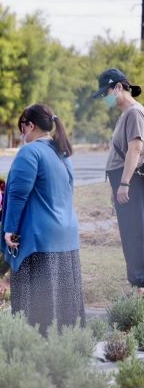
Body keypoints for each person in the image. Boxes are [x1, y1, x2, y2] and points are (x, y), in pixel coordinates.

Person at [0, 103, 84, 335]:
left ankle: (36, 346)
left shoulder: (30, 152)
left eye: (21, 127)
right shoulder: (61, 153)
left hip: (39, 239)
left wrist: (9, 229)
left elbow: (17, 194)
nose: (21, 133)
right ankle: (68, 345)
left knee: (35, 307)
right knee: (65, 303)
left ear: (30, 125)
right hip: (66, 236)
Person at [92, 68, 144, 291]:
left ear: (119, 87)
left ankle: (140, 285)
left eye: (107, 93)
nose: (106, 98)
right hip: (124, 180)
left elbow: (135, 148)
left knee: (135, 232)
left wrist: (124, 183)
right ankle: (137, 283)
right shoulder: (125, 114)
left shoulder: (134, 112)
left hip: (131, 181)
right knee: (129, 232)